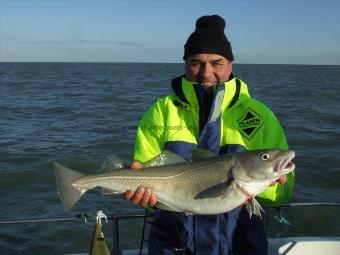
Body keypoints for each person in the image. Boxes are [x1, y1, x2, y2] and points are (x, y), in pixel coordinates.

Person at [123, 15, 295, 255]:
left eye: (217, 62)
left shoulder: (260, 115)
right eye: (196, 63)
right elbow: (145, 173)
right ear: (185, 64)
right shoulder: (161, 112)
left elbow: (283, 194)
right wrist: (142, 195)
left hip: (241, 245)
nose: (206, 73)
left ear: (230, 64)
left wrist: (265, 184)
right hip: (172, 244)